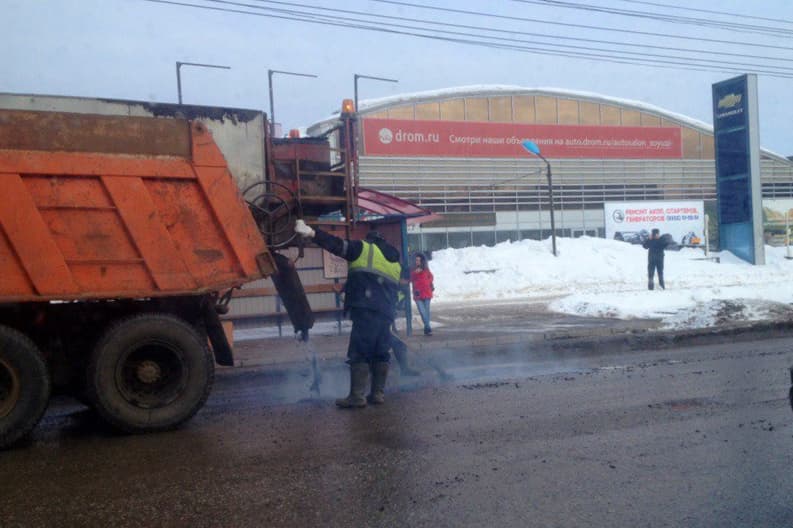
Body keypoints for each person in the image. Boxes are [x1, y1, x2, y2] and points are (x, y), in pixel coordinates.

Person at [294, 219, 404, 408]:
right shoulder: (394, 260)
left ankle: (357, 396)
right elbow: (390, 287)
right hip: (386, 313)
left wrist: (312, 233)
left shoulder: (364, 249)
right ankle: (377, 394)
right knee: (381, 352)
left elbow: (336, 245)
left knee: (359, 351)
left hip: (366, 310)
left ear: (369, 240)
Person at [410, 253, 434, 335]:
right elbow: (410, 279)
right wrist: (414, 273)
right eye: (416, 260)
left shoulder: (426, 269)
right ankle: (428, 327)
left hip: (427, 292)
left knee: (426, 312)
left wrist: (428, 282)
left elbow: (431, 277)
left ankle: (427, 329)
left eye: (419, 260)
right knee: (422, 312)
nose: (417, 262)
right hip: (418, 294)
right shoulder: (412, 270)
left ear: (422, 261)